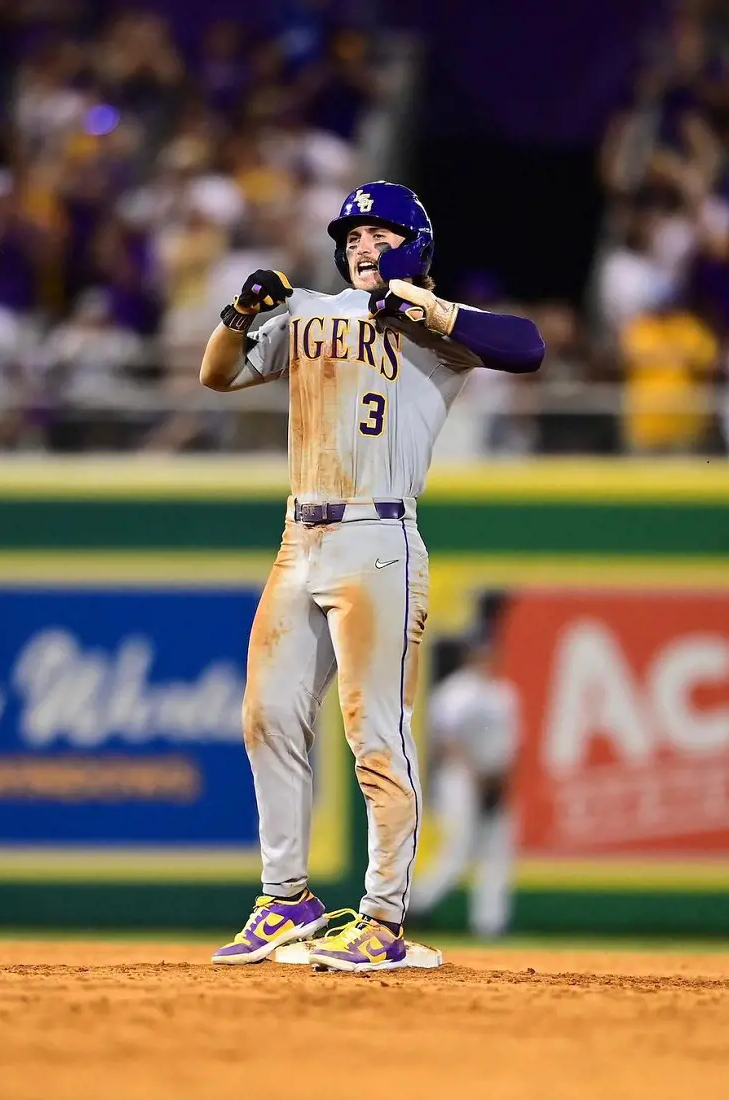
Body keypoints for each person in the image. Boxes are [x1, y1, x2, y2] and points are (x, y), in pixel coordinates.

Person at [202, 181, 544, 973]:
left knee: (375, 735)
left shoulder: (436, 325)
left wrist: (422, 303)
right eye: (353, 236)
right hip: (301, 534)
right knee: (267, 715)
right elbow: (217, 376)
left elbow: (527, 345)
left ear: (416, 244)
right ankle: (285, 898)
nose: (363, 246)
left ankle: (384, 919)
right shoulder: (315, 312)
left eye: (381, 234)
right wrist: (240, 313)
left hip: (378, 536)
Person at [408, 635, 520, 939]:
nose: (486, 658)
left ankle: (491, 924)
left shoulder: (503, 693)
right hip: (460, 779)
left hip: (495, 779)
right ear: (469, 656)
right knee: (457, 851)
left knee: (497, 853)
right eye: (481, 653)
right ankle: (415, 904)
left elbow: (511, 745)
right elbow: (446, 741)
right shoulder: (455, 691)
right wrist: (476, 775)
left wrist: (498, 781)